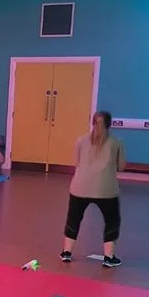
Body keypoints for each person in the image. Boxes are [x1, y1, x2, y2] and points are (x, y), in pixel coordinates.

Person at [61, 111, 125, 268]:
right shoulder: (117, 143)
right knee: (112, 221)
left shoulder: (80, 141)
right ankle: (109, 257)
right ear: (110, 124)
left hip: (79, 187)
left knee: (73, 219)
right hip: (106, 190)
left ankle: (66, 252)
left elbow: (76, 162)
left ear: (92, 123)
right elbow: (121, 167)